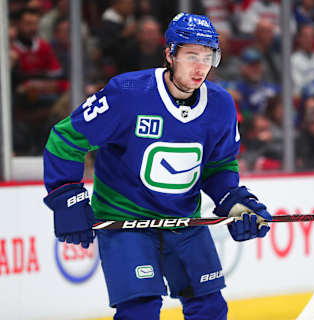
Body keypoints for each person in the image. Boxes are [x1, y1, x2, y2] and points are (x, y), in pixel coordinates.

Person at [42, 13, 272, 320]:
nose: (200, 66)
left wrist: (235, 203)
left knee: (210, 309)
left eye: (208, 56)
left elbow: (218, 165)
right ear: (170, 54)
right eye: (191, 55)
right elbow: (66, 138)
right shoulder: (128, 94)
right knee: (140, 311)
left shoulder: (221, 105)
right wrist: (67, 195)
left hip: (184, 222)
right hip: (127, 221)